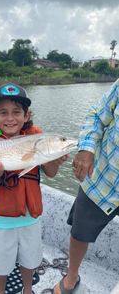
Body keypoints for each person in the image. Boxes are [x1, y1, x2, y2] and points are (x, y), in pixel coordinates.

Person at [0, 82, 68, 294]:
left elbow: (51, 173)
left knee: (30, 260)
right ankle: (0, 292)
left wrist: (56, 160)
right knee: (0, 264)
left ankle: (27, 289)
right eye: (3, 112)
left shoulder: (38, 141)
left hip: (30, 218)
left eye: (17, 112)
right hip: (0, 220)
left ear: (26, 116)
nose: (10, 118)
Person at [54, 79, 119, 294]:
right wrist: (86, 149)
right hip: (102, 177)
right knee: (80, 231)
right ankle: (72, 275)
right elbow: (97, 115)